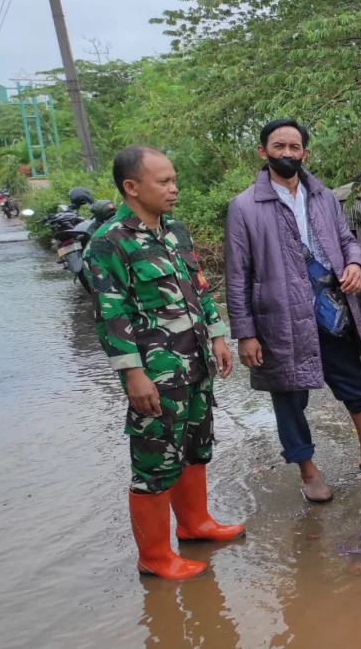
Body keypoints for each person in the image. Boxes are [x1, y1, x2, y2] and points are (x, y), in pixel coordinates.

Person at [224, 119, 361, 503]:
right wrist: (245, 333)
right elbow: (237, 274)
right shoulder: (244, 207)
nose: (288, 154)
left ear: (305, 153)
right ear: (263, 152)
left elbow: (346, 240)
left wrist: (356, 265)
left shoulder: (323, 196)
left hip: (331, 311)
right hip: (279, 321)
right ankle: (308, 473)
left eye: (295, 147)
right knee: (289, 396)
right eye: (279, 146)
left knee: (358, 383)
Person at [84, 145, 243, 581]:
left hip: (195, 363)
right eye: (164, 182)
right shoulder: (108, 242)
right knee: (154, 459)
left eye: (174, 180)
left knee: (195, 445)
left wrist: (217, 336)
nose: (174, 189)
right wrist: (133, 375)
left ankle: (195, 525)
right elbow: (110, 314)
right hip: (155, 373)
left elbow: (199, 288)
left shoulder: (176, 232)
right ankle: (153, 555)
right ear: (131, 187)